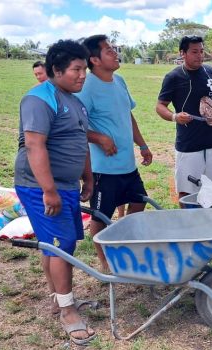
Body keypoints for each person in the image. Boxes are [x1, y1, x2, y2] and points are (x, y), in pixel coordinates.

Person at [14, 39, 95, 346]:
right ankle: (68, 310)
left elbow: (80, 139)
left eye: (84, 69)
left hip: (66, 185)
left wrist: (87, 177)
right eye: (76, 69)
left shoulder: (74, 100)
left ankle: (57, 299)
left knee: (59, 244)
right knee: (61, 245)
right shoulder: (38, 99)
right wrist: (49, 190)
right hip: (40, 186)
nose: (82, 75)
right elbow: (35, 145)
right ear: (56, 70)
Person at [77, 34, 152, 272]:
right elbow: (74, 125)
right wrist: (98, 137)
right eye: (109, 50)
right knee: (100, 217)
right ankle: (105, 263)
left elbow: (127, 115)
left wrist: (142, 144)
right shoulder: (86, 87)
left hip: (127, 164)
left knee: (139, 203)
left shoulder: (119, 81)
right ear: (95, 60)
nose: (115, 53)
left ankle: (123, 241)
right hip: (103, 169)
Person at [156, 35, 212, 200]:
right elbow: (160, 106)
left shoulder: (211, 72)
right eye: (194, 52)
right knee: (187, 194)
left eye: (202, 51)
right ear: (183, 53)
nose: (200, 55)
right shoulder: (174, 77)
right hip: (188, 146)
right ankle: (188, 224)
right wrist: (175, 116)